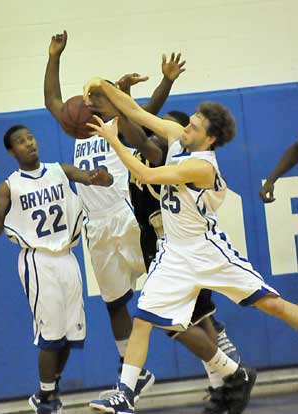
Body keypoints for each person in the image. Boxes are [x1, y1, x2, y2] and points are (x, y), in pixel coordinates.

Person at [83, 77, 298, 414]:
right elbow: (134, 111)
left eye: (194, 127)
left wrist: (114, 141)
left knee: (272, 305)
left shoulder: (201, 166)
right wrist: (103, 85)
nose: (185, 128)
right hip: (173, 253)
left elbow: (147, 174)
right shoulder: (176, 137)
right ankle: (124, 394)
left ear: (209, 138)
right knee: (142, 318)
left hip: (206, 250)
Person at [44, 30, 186, 400]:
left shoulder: (119, 122)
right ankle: (132, 372)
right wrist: (54, 56)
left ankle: (210, 344)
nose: (90, 98)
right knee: (114, 302)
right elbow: (52, 99)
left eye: (99, 93)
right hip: (96, 226)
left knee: (163, 291)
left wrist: (166, 81)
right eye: (89, 95)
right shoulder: (79, 125)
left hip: (126, 216)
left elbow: (147, 112)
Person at [0, 125, 113, 414]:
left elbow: (93, 177)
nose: (28, 143)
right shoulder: (9, 185)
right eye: (20, 142)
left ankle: (49, 389)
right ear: (12, 152)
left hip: (68, 256)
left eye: (30, 137)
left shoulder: (59, 170)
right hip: (38, 260)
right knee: (50, 337)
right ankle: (47, 400)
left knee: (70, 336)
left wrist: (102, 177)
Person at [127, 109, 241, 414]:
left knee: (182, 322)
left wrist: (113, 118)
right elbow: (137, 122)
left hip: (177, 243)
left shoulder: (164, 151)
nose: (153, 136)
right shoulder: (162, 149)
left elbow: (137, 131)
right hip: (159, 240)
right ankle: (223, 386)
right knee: (199, 319)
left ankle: (232, 376)